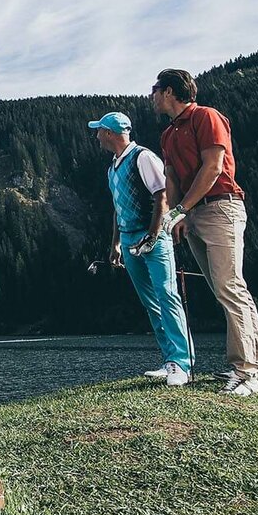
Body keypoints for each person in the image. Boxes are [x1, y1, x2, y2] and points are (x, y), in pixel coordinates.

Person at [151, 68, 258, 396]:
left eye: (155, 89)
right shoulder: (168, 134)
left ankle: (245, 372)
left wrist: (182, 209)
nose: (152, 96)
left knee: (229, 287)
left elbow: (213, 167)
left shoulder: (206, 117)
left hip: (221, 207)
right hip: (192, 214)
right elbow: (172, 179)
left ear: (169, 91)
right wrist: (175, 216)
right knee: (227, 289)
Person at [89, 112, 193, 386]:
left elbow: (162, 195)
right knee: (151, 302)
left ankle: (182, 363)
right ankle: (170, 360)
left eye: (99, 131)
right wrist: (115, 243)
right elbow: (117, 208)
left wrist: (153, 235)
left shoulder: (142, 157)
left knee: (167, 295)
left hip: (153, 238)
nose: (97, 136)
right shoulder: (112, 168)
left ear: (110, 133)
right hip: (128, 240)